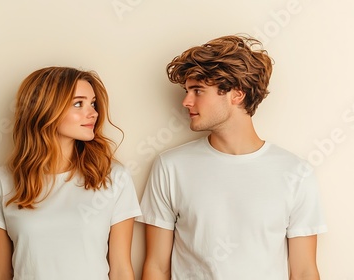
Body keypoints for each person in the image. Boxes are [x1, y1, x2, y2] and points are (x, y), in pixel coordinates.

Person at [136, 35, 328, 279]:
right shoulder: (170, 166)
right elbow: (156, 267)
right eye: (187, 91)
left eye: (198, 90)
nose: (186, 101)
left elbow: (304, 271)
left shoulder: (295, 172)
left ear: (236, 95)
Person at [0, 66, 141, 280]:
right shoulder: (1, 181)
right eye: (78, 103)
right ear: (46, 109)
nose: (93, 113)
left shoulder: (114, 177)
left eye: (93, 103)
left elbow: (121, 270)